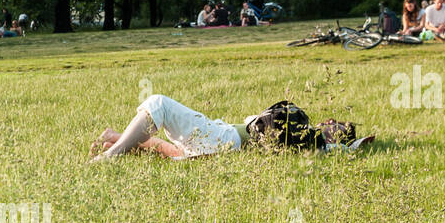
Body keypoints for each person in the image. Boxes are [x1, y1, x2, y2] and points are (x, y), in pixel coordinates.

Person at [88, 94, 372, 162]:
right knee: (178, 151)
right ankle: (119, 140)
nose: (332, 125)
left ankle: (110, 154)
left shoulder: (315, 142)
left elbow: (344, 148)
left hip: (223, 138)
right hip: (221, 140)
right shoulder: (305, 135)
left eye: (338, 127)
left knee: (159, 103)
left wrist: (357, 143)